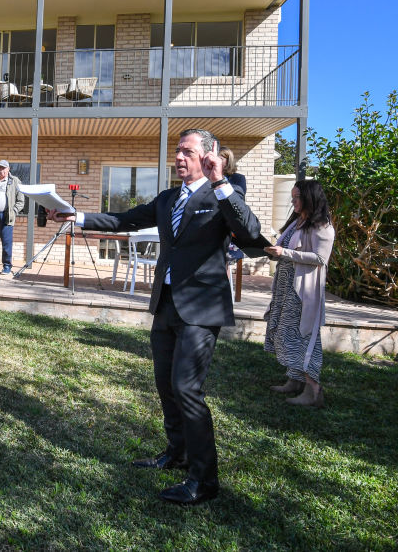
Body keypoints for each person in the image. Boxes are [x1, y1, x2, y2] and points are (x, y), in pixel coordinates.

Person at [53, 128, 260, 506]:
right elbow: (125, 220)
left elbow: (249, 233)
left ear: (209, 156)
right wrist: (76, 216)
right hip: (165, 304)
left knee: (187, 388)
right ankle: (177, 452)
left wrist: (220, 181)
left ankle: (204, 479)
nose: (179, 157)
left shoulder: (224, 192)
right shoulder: (167, 199)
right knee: (165, 384)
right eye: (177, 151)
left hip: (201, 308)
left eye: (187, 151)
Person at [263, 179, 335, 408]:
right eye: (292, 197)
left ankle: (313, 391)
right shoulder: (298, 221)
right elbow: (287, 249)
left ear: (309, 198)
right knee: (287, 334)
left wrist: (285, 252)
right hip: (286, 287)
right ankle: (294, 380)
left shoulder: (322, 226)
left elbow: (320, 259)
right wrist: (274, 252)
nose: (293, 201)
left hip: (302, 292)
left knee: (301, 337)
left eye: (297, 197)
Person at [0, 159, 25, 275]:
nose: (1, 170)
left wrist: (13, 212)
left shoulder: (15, 181)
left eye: (3, 168)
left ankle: (7, 266)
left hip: (6, 216)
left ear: (8, 169)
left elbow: (21, 201)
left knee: (6, 243)